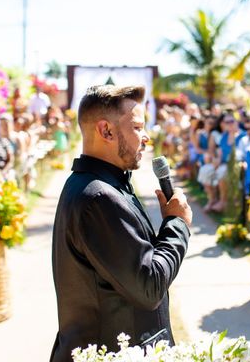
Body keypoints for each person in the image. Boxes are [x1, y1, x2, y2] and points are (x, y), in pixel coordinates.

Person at [50, 85, 192, 361]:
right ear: (107, 131)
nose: (147, 138)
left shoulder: (101, 186)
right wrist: (177, 225)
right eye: (138, 127)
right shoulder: (99, 197)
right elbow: (148, 286)